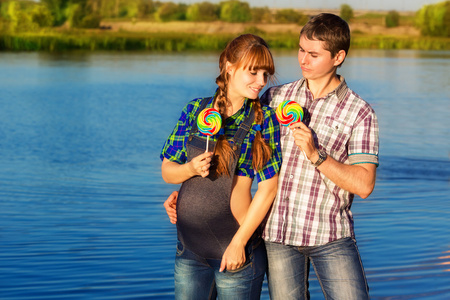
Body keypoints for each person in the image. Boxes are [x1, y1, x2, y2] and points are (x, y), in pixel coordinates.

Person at [260, 13, 379, 299]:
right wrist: (191, 193)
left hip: (331, 234)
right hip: (279, 233)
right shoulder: (275, 98)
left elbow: (364, 185)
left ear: (338, 56)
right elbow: (238, 155)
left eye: (313, 54)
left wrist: (317, 155)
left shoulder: (359, 112)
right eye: (301, 49)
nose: (303, 59)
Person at [160, 34, 282, 300]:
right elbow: (168, 170)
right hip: (189, 250)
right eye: (253, 72)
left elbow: (268, 189)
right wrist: (190, 169)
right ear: (229, 66)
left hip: (235, 252)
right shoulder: (195, 110)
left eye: (265, 74)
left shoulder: (265, 120)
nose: (261, 82)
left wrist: (239, 243)